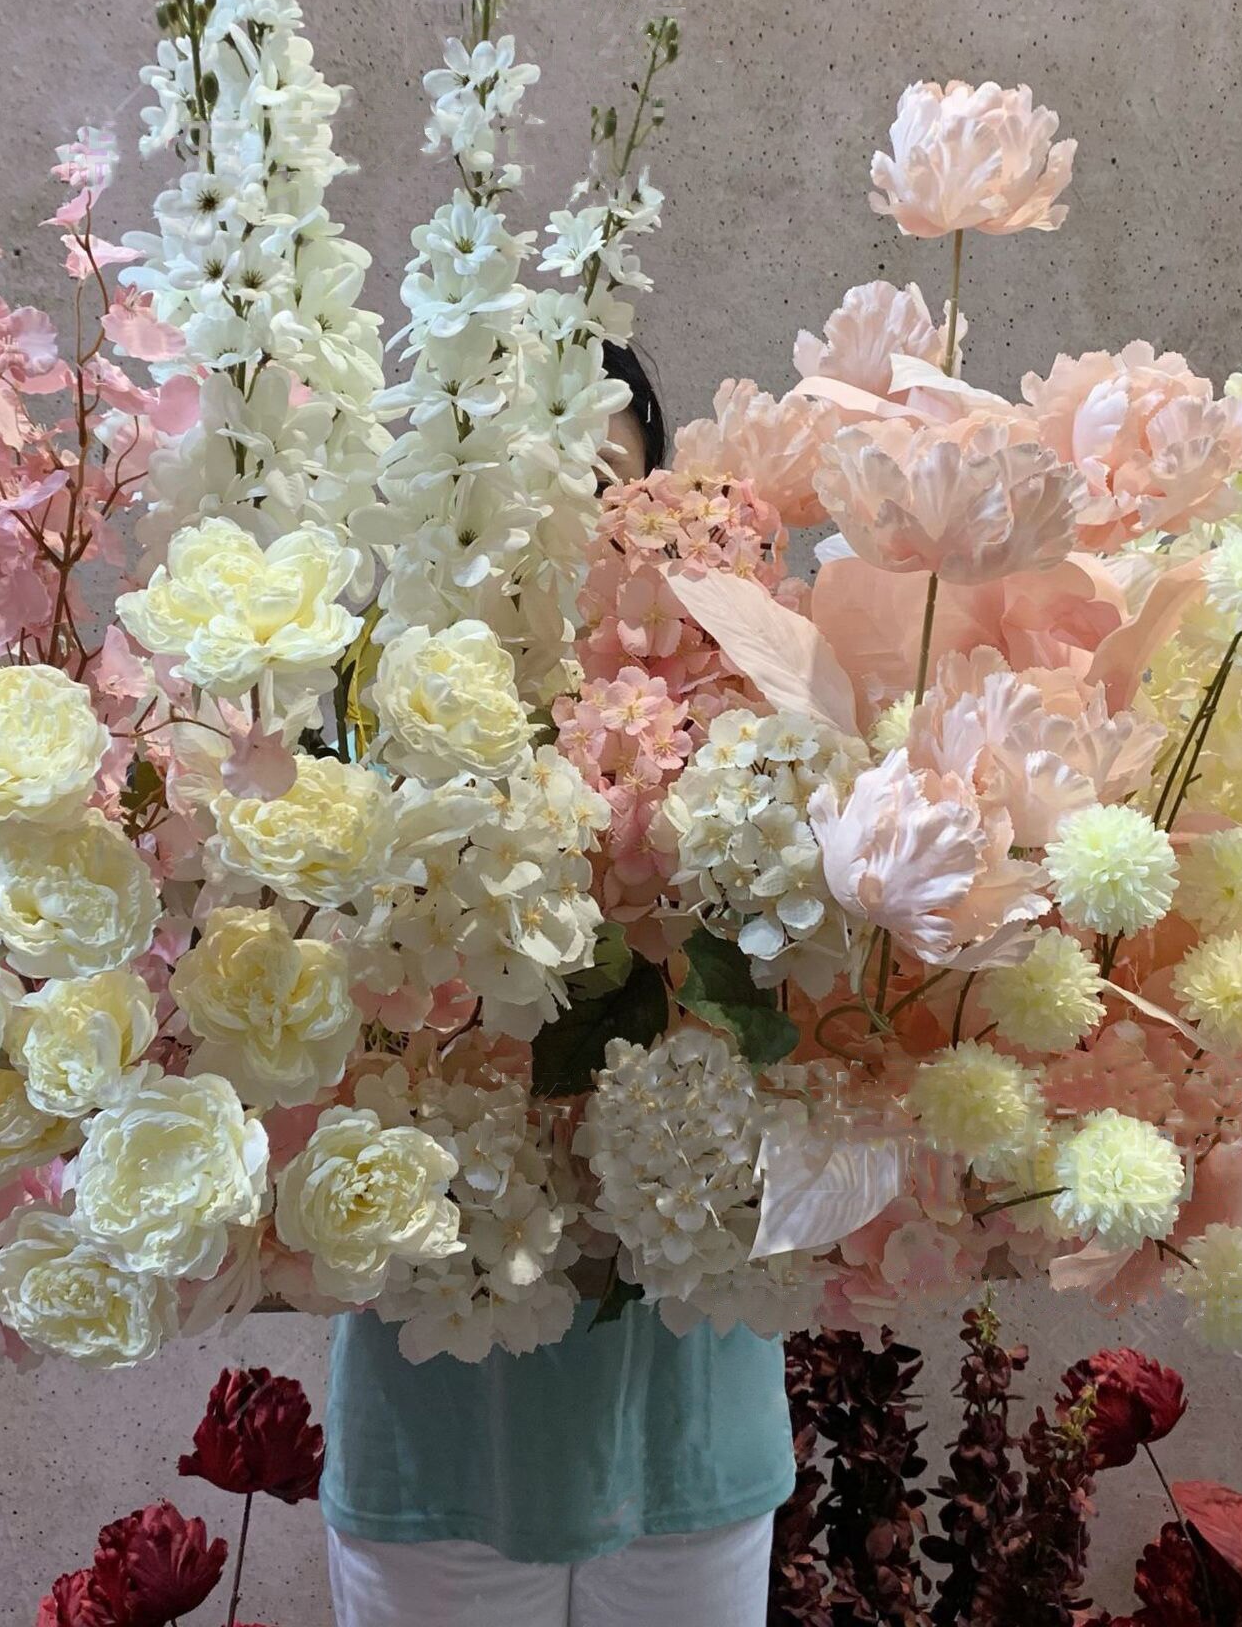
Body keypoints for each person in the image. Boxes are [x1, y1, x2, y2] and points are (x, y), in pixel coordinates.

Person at [319, 343, 792, 1627]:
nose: (575, 501)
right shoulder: (365, 706)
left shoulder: (748, 714)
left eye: (607, 463)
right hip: (442, 1429)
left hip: (688, 1427)